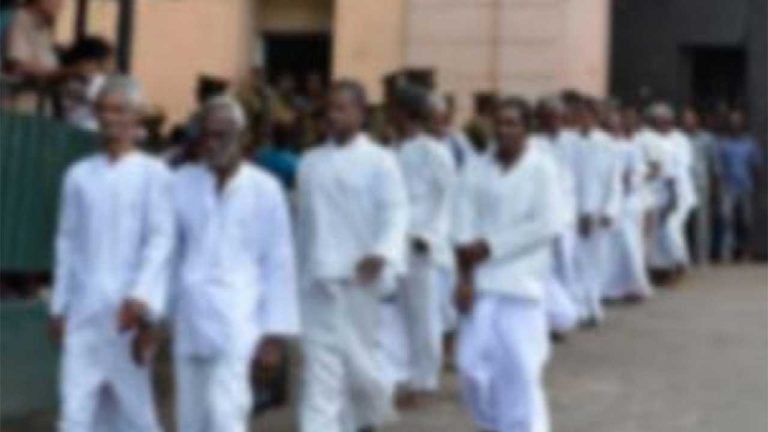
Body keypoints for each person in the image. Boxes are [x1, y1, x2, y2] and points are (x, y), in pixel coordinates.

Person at [50, 75, 173, 431]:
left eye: (119, 111)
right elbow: (67, 242)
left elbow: (161, 240)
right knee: (75, 412)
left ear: (136, 117)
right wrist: (59, 306)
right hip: (83, 310)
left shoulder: (154, 173)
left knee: (135, 413)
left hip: (126, 315)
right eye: (103, 110)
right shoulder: (78, 175)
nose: (110, 119)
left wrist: (143, 301)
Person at [170, 96, 299, 431]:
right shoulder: (181, 183)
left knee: (226, 412)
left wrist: (275, 333)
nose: (212, 143)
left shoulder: (266, 190)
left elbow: (279, 262)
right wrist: (156, 314)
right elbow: (167, 254)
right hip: (190, 317)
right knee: (191, 418)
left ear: (243, 138)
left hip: (238, 318)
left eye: (222, 135)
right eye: (207, 135)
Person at [296, 80, 408, 432]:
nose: (332, 116)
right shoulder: (310, 162)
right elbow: (303, 226)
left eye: (341, 109)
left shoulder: (381, 160)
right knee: (320, 372)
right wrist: (296, 277)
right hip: (316, 281)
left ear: (361, 113)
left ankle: (368, 416)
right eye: (328, 109)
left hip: (359, 281)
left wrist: (381, 253)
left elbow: (396, 212)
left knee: (360, 367)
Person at [453, 97, 559, 432]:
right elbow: (461, 223)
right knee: (471, 367)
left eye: (512, 123)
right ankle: (495, 424)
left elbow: (546, 224)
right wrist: (464, 278)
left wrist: (491, 246)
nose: (503, 130)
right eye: (498, 123)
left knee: (522, 371)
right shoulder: (475, 167)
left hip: (523, 286)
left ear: (527, 128)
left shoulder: (541, 168)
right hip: (482, 284)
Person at [384, 84, 455, 401]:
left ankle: (425, 379)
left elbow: (448, 199)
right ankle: (400, 372)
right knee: (394, 313)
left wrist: (429, 236)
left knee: (423, 313)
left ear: (404, 112)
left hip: (420, 244)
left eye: (392, 109)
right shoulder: (389, 151)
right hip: (392, 243)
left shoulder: (434, 151)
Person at [530, 96, 580, 336]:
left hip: (567, 215)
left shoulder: (574, 142)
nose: (552, 121)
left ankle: (564, 317)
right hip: (540, 216)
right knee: (543, 268)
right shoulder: (532, 143)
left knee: (566, 267)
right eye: (547, 116)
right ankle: (546, 318)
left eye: (556, 116)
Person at [571, 98, 622, 324]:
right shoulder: (569, 142)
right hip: (572, 212)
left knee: (596, 261)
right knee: (575, 261)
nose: (583, 118)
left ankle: (593, 305)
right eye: (579, 114)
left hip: (598, 212)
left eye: (588, 114)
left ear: (596, 117)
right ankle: (579, 308)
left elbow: (614, 181)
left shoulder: (608, 144)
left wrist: (610, 210)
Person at [642, 103, 697, 283]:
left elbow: (681, 166)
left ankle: (679, 263)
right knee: (657, 232)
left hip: (679, 191)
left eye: (666, 119)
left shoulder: (680, 139)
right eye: (659, 119)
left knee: (671, 227)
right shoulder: (646, 137)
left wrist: (668, 180)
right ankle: (660, 268)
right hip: (656, 192)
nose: (663, 122)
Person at [602, 109, 654, 302]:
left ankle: (634, 286)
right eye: (608, 126)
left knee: (630, 244)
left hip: (628, 202)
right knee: (608, 246)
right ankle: (609, 289)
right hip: (606, 202)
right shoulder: (600, 147)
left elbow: (641, 171)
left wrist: (629, 178)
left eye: (615, 125)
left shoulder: (630, 147)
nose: (612, 129)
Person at [715, 109, 762, 261]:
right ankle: (727, 252)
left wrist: (757, 187)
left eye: (738, 122)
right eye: (733, 122)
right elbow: (719, 167)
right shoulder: (723, 143)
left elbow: (756, 166)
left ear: (743, 124)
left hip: (746, 186)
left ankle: (746, 251)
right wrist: (719, 186)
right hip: (728, 187)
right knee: (727, 219)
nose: (735, 125)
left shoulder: (750, 143)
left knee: (746, 220)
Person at [2, 0, 64, 111]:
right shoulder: (18, 19)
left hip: (36, 107)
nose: (61, 4)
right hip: (17, 108)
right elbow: (18, 67)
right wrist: (67, 72)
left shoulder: (42, 27)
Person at [681, 108, 718, 265]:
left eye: (690, 119)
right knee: (682, 221)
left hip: (701, 183)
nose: (688, 122)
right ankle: (683, 256)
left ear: (697, 120)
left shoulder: (707, 139)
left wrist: (715, 186)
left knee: (702, 222)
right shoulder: (678, 138)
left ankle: (702, 256)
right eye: (685, 119)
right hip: (683, 184)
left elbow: (714, 164)